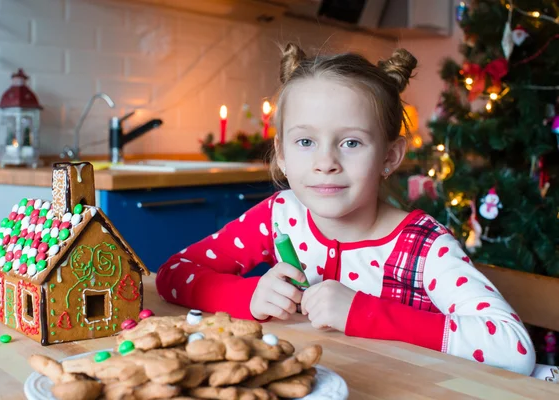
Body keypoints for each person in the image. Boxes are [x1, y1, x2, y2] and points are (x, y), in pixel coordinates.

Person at [156, 43, 536, 376]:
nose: (326, 162)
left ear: (389, 156)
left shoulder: (425, 247)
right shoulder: (280, 215)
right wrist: (250, 296)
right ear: (283, 155)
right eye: (305, 141)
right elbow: (174, 273)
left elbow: (513, 348)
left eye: (351, 143)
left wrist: (360, 312)